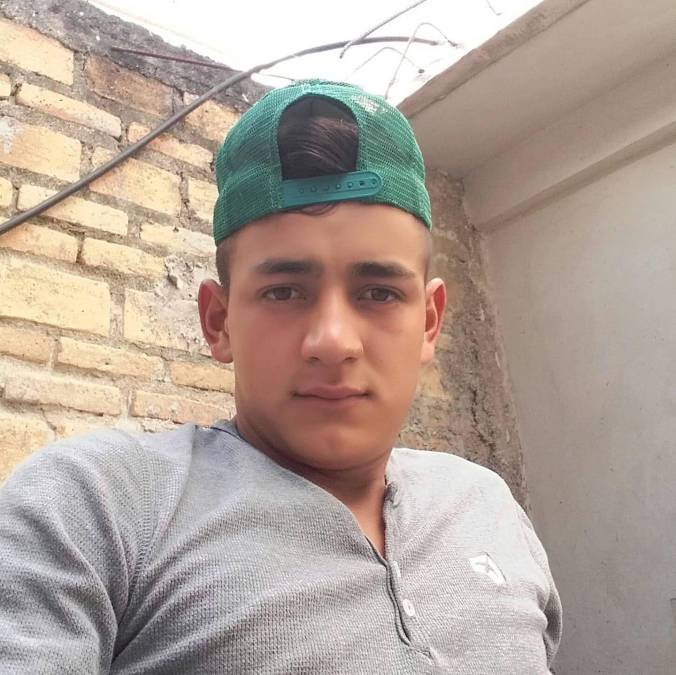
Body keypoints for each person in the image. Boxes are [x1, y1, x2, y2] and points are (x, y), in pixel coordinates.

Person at [0, 80, 562, 674]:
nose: (333, 342)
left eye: (378, 293)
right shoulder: (100, 505)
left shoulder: (485, 503)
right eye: (284, 292)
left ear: (428, 322)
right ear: (219, 322)